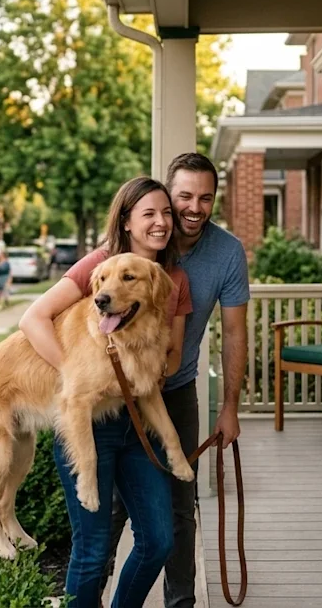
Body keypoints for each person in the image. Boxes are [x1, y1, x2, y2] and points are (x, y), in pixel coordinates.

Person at [19, 177, 193, 608]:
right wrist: (75, 372)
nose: (160, 222)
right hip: (89, 426)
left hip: (136, 428)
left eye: (165, 212)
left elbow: (168, 363)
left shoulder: (169, 278)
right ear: (127, 221)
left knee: (157, 541)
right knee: (93, 551)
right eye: (148, 213)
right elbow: (34, 318)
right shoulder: (98, 265)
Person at [101, 152, 250, 607]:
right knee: (113, 509)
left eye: (205, 198)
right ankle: (89, 596)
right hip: (118, 394)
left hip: (177, 391)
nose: (193, 207)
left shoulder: (225, 253)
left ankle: (180, 602)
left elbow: (235, 333)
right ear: (167, 198)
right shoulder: (136, 252)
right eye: (183, 196)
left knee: (182, 509)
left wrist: (229, 408)